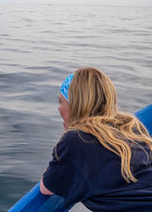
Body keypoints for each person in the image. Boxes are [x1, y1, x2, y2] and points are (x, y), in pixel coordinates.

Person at [40, 67, 152, 211]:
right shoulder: (130, 126)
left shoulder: (76, 140)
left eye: (61, 102)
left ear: (74, 106)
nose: (58, 109)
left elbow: (47, 187)